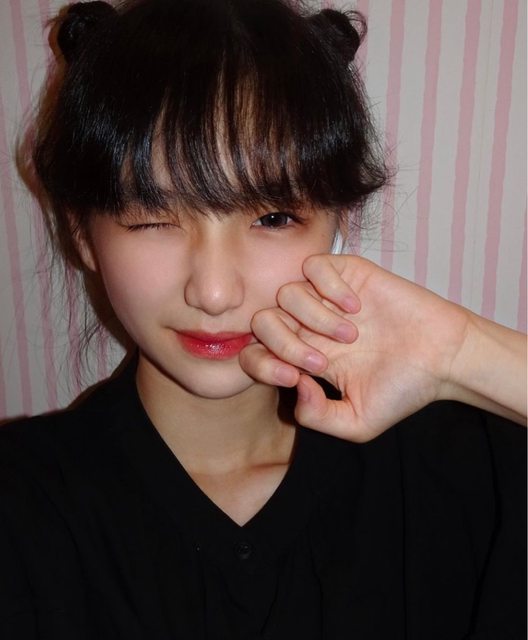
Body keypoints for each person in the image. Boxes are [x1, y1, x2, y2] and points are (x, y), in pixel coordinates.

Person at [0, 0, 525, 638]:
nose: (215, 292)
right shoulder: (22, 506)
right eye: (153, 219)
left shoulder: (457, 468)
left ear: (339, 222)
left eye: (272, 217)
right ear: (82, 233)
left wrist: (460, 352)